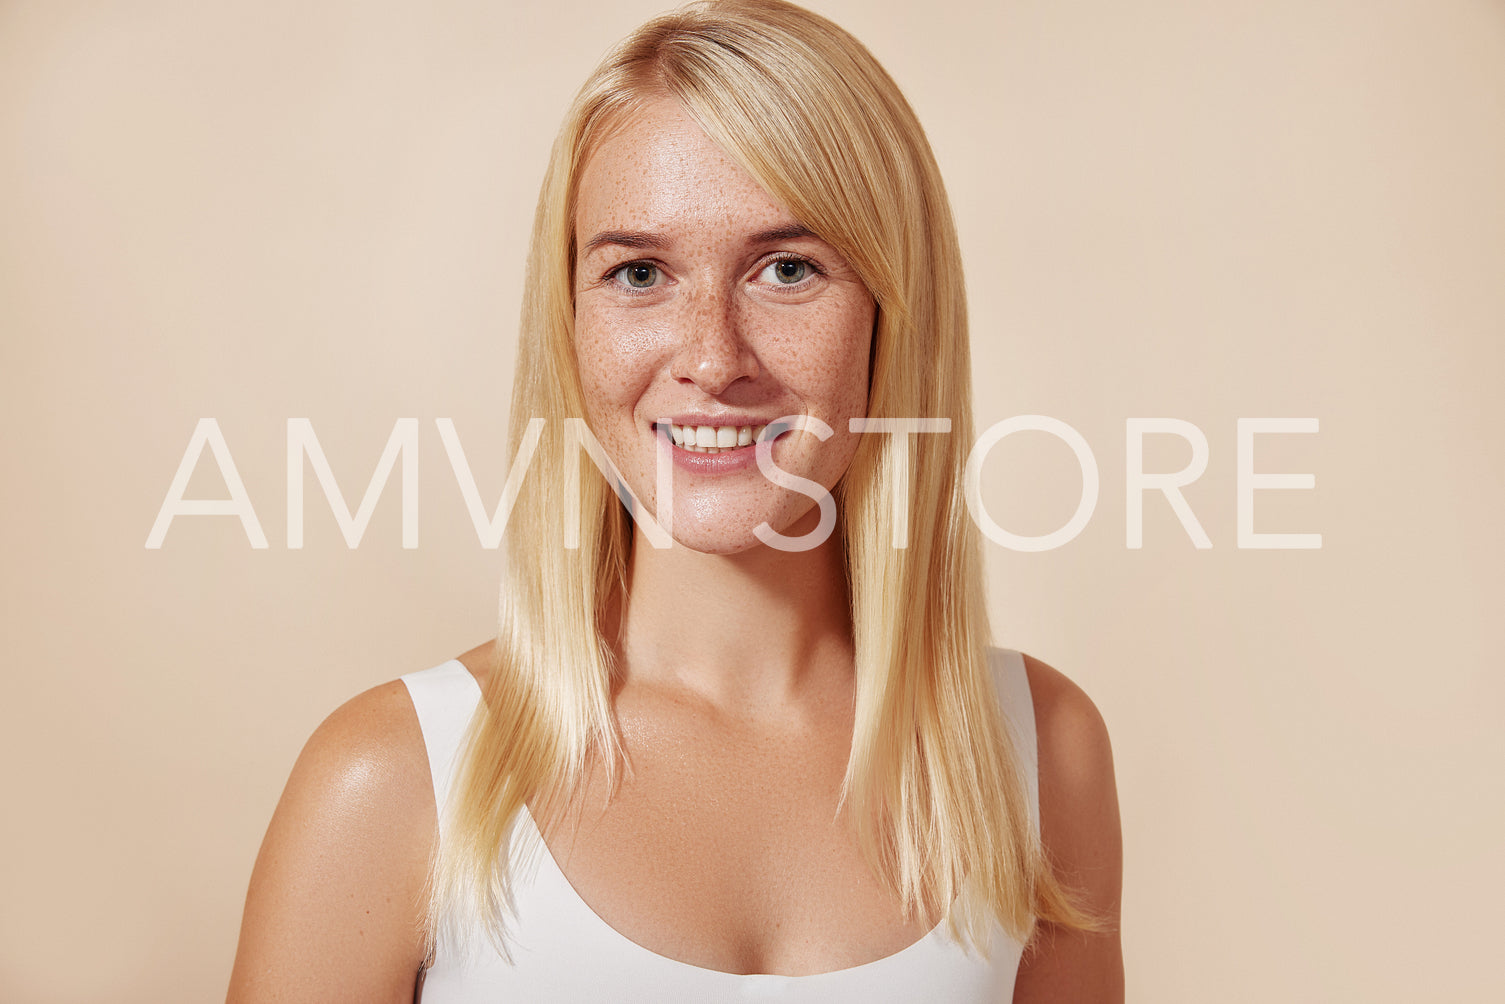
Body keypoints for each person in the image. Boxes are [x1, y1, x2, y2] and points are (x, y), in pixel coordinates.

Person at [227, 1, 1123, 1000]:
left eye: (787, 268)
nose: (710, 356)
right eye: (639, 271)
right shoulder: (389, 781)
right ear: (567, 316)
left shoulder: (1040, 753)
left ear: (891, 314)